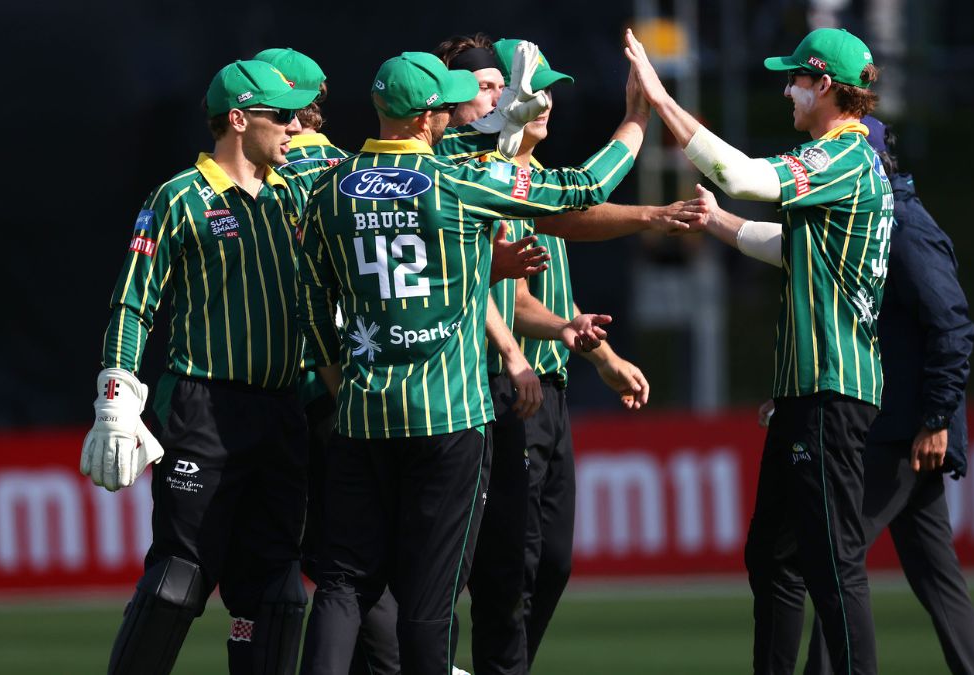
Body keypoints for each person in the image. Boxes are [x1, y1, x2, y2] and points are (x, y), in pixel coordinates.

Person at [296, 47, 649, 675]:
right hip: (448, 418)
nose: (455, 115)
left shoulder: (330, 190)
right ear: (426, 117)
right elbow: (584, 189)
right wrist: (637, 121)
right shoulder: (459, 182)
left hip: (363, 418)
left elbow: (313, 305)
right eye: (448, 106)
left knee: (343, 583)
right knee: (428, 601)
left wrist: (341, 384)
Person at [625, 27, 892, 674]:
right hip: (807, 391)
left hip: (831, 388)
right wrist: (715, 220)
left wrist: (661, 100)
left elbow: (743, 176)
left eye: (795, 79)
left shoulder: (843, 157)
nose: (787, 91)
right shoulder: (846, 164)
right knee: (773, 557)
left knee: (832, 566)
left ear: (824, 85)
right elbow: (791, 247)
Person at [79, 59, 318, 674]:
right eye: (281, 115)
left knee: (276, 593)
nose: (295, 127)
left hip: (281, 410)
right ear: (238, 119)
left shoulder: (294, 193)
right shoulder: (179, 196)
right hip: (203, 410)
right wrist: (115, 397)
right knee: (177, 582)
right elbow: (134, 301)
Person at [798, 117, 974, 675]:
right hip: (900, 425)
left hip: (903, 431)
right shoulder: (880, 223)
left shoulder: (903, 227)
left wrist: (936, 418)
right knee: (938, 579)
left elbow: (953, 326)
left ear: (871, 166)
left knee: (837, 563)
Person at [254, 46, 403, 675]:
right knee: (363, 557)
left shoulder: (260, 174)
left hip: (282, 388)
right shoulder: (354, 171)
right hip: (354, 386)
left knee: (319, 564)